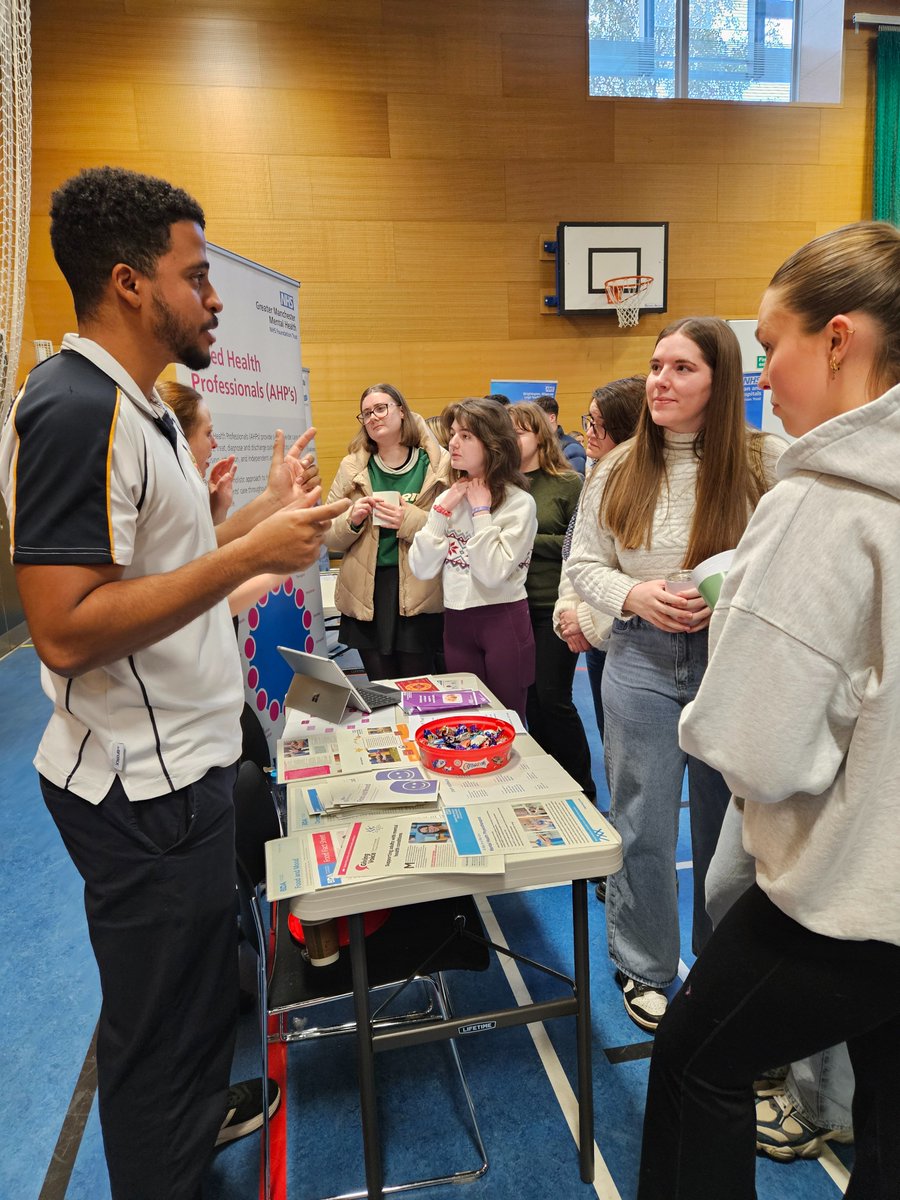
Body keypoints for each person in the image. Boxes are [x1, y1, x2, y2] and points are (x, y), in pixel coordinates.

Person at [0, 165, 349, 1200]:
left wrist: (261, 526)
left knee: (197, 1009)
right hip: (137, 789)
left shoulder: (138, 407)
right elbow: (64, 630)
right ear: (129, 284)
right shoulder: (70, 410)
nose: (215, 297)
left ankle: (192, 1131)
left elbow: (164, 565)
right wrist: (244, 559)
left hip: (182, 770)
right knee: (155, 1037)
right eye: (197, 275)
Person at [638, 221, 900, 1200]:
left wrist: (708, 715)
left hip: (846, 895)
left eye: (771, 343)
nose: (765, 376)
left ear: (839, 341)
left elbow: (759, 743)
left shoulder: (825, 499)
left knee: (698, 1060)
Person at [565, 318, 785, 1032]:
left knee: (730, 836)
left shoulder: (765, 460)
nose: (660, 381)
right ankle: (643, 967)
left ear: (720, 381)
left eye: (682, 368)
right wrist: (634, 595)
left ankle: (720, 971)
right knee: (641, 823)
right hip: (638, 660)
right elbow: (584, 565)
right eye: (657, 366)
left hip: (734, 664)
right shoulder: (617, 467)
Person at [704, 803, 855, 1161]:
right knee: (726, 889)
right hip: (770, 777)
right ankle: (774, 1044)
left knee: (828, 924)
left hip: (848, 786)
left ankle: (822, 1103)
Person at [408, 397, 537, 720]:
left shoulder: (519, 504)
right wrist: (438, 513)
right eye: (452, 433)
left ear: (492, 444)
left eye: (466, 436)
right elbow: (421, 569)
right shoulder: (448, 498)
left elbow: (491, 573)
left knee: (508, 721)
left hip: (502, 621)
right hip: (457, 623)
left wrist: (481, 513)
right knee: (467, 718)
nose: (453, 443)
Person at [324, 383, 449, 682]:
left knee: (417, 687)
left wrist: (410, 519)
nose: (374, 417)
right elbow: (328, 534)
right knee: (382, 688)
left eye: (381, 408)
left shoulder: (435, 464)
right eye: (366, 413)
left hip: (419, 589)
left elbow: (454, 529)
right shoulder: (352, 466)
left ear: (402, 412)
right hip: (367, 591)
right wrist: (351, 520)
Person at [508, 400, 595, 800]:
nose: (511, 438)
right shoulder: (503, 484)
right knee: (529, 701)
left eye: (520, 431)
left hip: (553, 606)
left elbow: (579, 544)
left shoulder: (567, 483)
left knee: (553, 697)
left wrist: (527, 541)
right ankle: (550, 781)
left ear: (540, 436)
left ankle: (581, 786)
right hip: (512, 606)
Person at [554, 376, 646, 745]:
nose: (588, 432)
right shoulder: (595, 474)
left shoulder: (642, 485)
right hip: (596, 633)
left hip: (630, 639)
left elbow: (642, 578)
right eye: (588, 420)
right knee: (612, 745)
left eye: (599, 425)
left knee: (632, 752)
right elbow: (577, 554)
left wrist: (586, 620)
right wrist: (568, 609)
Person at [157, 378, 236, 523]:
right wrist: (274, 499)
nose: (214, 443)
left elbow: (209, 545)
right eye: (208, 433)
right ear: (181, 436)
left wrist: (218, 510)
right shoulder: (169, 505)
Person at [536, 394, 586, 475]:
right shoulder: (538, 443)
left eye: (538, 418)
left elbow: (574, 484)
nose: (535, 422)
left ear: (552, 418)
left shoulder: (572, 448)